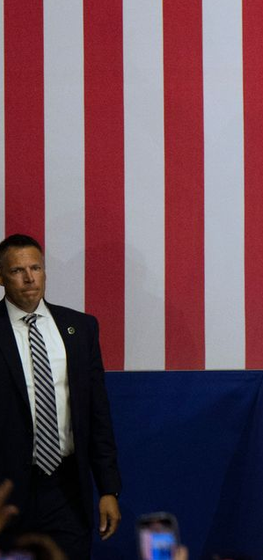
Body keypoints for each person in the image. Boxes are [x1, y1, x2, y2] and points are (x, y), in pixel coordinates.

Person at [0, 234, 121, 560]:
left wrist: (108, 488)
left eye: (35, 268)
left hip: (67, 489)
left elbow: (97, 413)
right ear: (1, 277)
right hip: (7, 494)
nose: (29, 278)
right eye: (17, 271)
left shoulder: (80, 328)